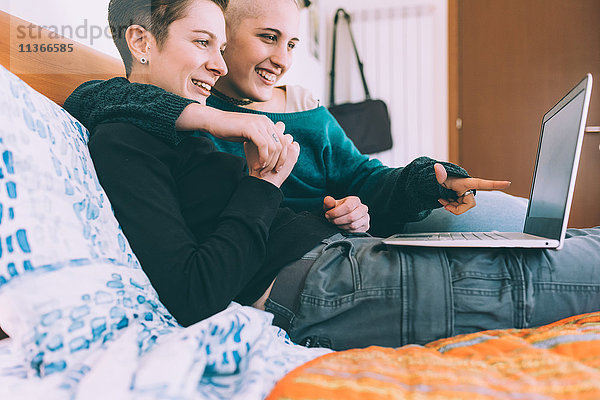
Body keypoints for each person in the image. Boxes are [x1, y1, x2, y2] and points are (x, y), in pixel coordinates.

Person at [67, 0, 600, 351]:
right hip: (315, 278)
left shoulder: (268, 111)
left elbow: (362, 176)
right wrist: (252, 169)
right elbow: (94, 97)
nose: (216, 62)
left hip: (342, 248)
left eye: (217, 47)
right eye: (205, 43)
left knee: (549, 240)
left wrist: (397, 194)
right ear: (141, 42)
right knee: (563, 264)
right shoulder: (164, 122)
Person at [65, 0, 528, 237]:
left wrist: (426, 181)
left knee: (529, 226)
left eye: (291, 45)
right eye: (268, 37)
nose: (282, 59)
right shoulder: (190, 106)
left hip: (354, 234)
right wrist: (210, 118)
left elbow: (362, 175)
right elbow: (94, 96)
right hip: (306, 254)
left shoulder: (306, 107)